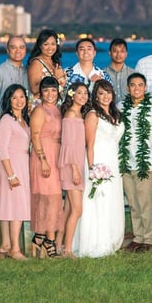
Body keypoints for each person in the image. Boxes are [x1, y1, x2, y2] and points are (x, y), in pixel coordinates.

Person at [74, 80, 125, 258]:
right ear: (95, 96)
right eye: (101, 93)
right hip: (98, 162)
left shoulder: (115, 114)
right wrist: (93, 170)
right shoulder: (93, 115)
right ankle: (95, 243)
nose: (105, 97)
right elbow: (89, 145)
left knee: (111, 200)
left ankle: (111, 239)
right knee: (98, 202)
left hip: (113, 163)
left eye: (108, 92)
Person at [119, 73, 152, 253]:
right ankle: (138, 238)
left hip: (144, 165)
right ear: (128, 88)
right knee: (133, 203)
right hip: (126, 164)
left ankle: (150, 240)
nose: (136, 88)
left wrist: (150, 165)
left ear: (145, 88)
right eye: (132, 85)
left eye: (140, 85)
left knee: (144, 203)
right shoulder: (120, 108)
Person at [0, 84, 31, 260]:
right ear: (8, 100)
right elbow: (3, 148)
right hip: (11, 165)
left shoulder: (24, 119)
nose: (19, 101)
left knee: (8, 205)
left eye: (22, 96)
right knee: (16, 207)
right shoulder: (7, 120)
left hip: (21, 163)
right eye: (14, 97)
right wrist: (11, 174)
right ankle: (15, 249)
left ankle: (5, 245)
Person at [29, 76, 63, 258]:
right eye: (46, 90)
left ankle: (42, 238)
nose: (50, 94)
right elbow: (35, 136)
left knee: (54, 200)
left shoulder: (58, 109)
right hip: (43, 155)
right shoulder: (39, 111)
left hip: (56, 155)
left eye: (53, 90)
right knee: (47, 199)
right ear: (41, 93)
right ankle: (46, 241)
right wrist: (43, 159)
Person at [58, 81, 90, 258]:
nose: (83, 96)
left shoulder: (80, 115)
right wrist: (75, 170)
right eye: (79, 93)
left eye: (85, 93)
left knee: (69, 208)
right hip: (71, 167)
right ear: (72, 95)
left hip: (77, 164)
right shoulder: (70, 116)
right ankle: (67, 249)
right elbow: (68, 146)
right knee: (77, 209)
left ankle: (58, 244)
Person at [0, 36, 29, 108]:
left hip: (24, 118)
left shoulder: (28, 71)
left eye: (21, 47)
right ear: (7, 50)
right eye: (13, 48)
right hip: (3, 117)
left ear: (25, 50)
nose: (18, 51)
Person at [26, 29, 66, 103]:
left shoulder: (55, 61)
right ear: (40, 46)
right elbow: (34, 89)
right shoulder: (36, 63)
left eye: (53, 44)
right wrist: (56, 78)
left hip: (55, 104)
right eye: (46, 44)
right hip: (41, 106)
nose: (50, 48)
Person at [104, 38, 137, 103]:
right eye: (115, 51)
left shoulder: (134, 74)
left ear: (126, 54)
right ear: (110, 53)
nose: (118, 54)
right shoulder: (102, 74)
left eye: (122, 51)